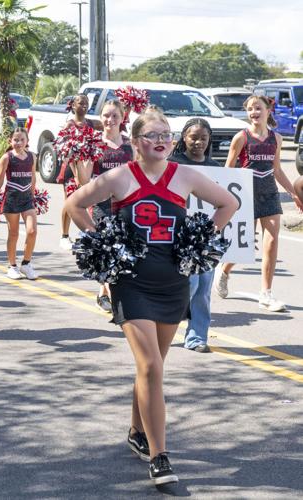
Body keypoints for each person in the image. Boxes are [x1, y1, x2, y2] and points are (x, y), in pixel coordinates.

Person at [66, 108, 238, 485]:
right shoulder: (120, 177)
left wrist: (201, 240)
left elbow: (229, 203)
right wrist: (104, 243)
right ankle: (160, 458)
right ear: (135, 142)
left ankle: (136, 431)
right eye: (151, 135)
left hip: (173, 283)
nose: (160, 140)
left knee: (153, 367)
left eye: (165, 134)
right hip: (132, 284)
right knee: (150, 367)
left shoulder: (185, 175)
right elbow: (74, 204)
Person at [216, 95, 303, 312]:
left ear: (268, 111)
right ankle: (224, 271)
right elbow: (228, 169)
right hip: (246, 195)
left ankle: (266, 293)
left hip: (269, 193)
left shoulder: (277, 138)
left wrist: (293, 193)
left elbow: (277, 170)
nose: (254, 112)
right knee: (244, 244)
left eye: (258, 108)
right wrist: (225, 198)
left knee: (271, 242)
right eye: (250, 109)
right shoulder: (241, 137)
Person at [168, 118, 222, 353]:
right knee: (188, 284)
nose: (199, 142)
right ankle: (163, 325)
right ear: (184, 138)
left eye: (203, 138)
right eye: (193, 137)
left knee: (203, 288)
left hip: (205, 239)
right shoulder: (172, 164)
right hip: (177, 237)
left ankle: (197, 337)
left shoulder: (216, 168)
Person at [77, 100, 134, 312]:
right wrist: (80, 157)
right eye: (106, 116)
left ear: (122, 117)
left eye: (115, 116)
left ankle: (112, 290)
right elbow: (84, 181)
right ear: (100, 118)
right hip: (102, 206)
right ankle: (106, 291)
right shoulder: (94, 144)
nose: (110, 120)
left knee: (125, 248)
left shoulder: (130, 145)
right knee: (107, 249)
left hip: (126, 205)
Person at [0, 128, 38, 280]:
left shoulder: (32, 156)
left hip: (27, 199)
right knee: (14, 233)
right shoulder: (7, 157)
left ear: (27, 141)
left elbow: (33, 177)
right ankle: (12, 266)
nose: (19, 142)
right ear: (10, 141)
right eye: (15, 140)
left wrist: (33, 195)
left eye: (22, 139)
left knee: (32, 231)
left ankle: (26, 264)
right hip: (11, 198)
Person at [58, 94, 102, 251]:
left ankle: (84, 232)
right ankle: (64, 236)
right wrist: (76, 174)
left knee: (86, 202)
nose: (84, 105)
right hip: (72, 167)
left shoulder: (91, 123)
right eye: (81, 103)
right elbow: (65, 149)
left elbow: (112, 125)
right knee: (70, 200)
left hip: (88, 167)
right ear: (73, 105)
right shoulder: (69, 125)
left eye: (86, 103)